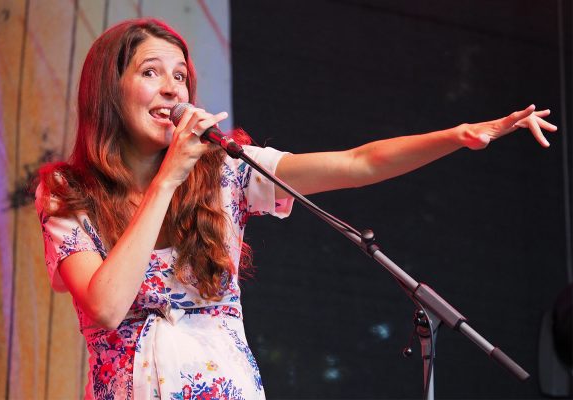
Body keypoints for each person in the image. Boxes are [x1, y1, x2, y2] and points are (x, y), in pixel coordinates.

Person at [35, 17, 557, 400]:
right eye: (152, 73)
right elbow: (104, 307)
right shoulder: (69, 190)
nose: (173, 88)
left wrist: (458, 135)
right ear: (110, 90)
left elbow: (357, 163)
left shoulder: (228, 170)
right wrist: (168, 177)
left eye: (181, 76)